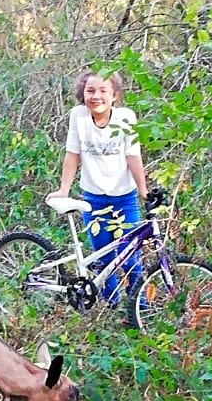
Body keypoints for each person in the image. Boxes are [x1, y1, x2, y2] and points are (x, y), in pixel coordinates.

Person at [47, 69, 148, 305]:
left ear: (114, 95)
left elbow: (133, 156)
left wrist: (144, 190)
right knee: (103, 257)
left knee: (131, 256)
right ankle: (111, 305)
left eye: (103, 90)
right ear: (83, 94)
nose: (96, 96)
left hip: (124, 198)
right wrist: (64, 189)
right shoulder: (78, 116)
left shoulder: (126, 118)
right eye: (90, 91)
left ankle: (139, 308)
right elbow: (73, 154)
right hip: (92, 199)